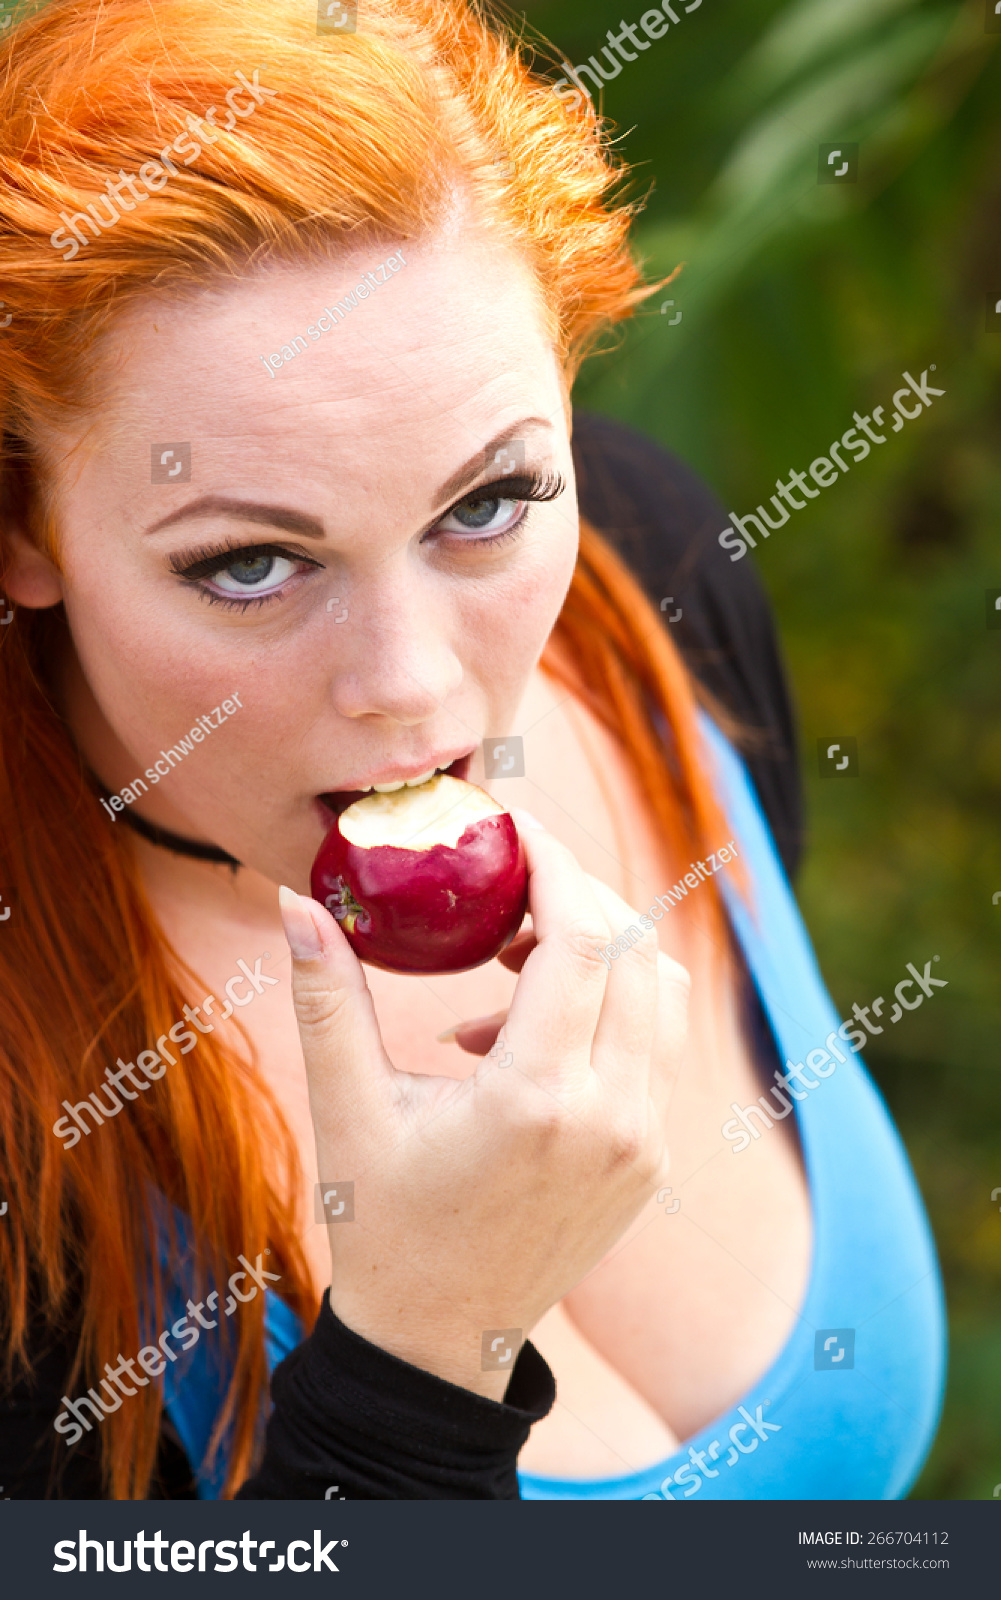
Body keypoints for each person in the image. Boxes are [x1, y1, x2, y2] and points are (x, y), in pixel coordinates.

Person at [0, 0, 944, 1500]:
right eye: (249, 563)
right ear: (24, 526)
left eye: (485, 504)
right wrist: (418, 1351)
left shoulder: (661, 580)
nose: (413, 685)